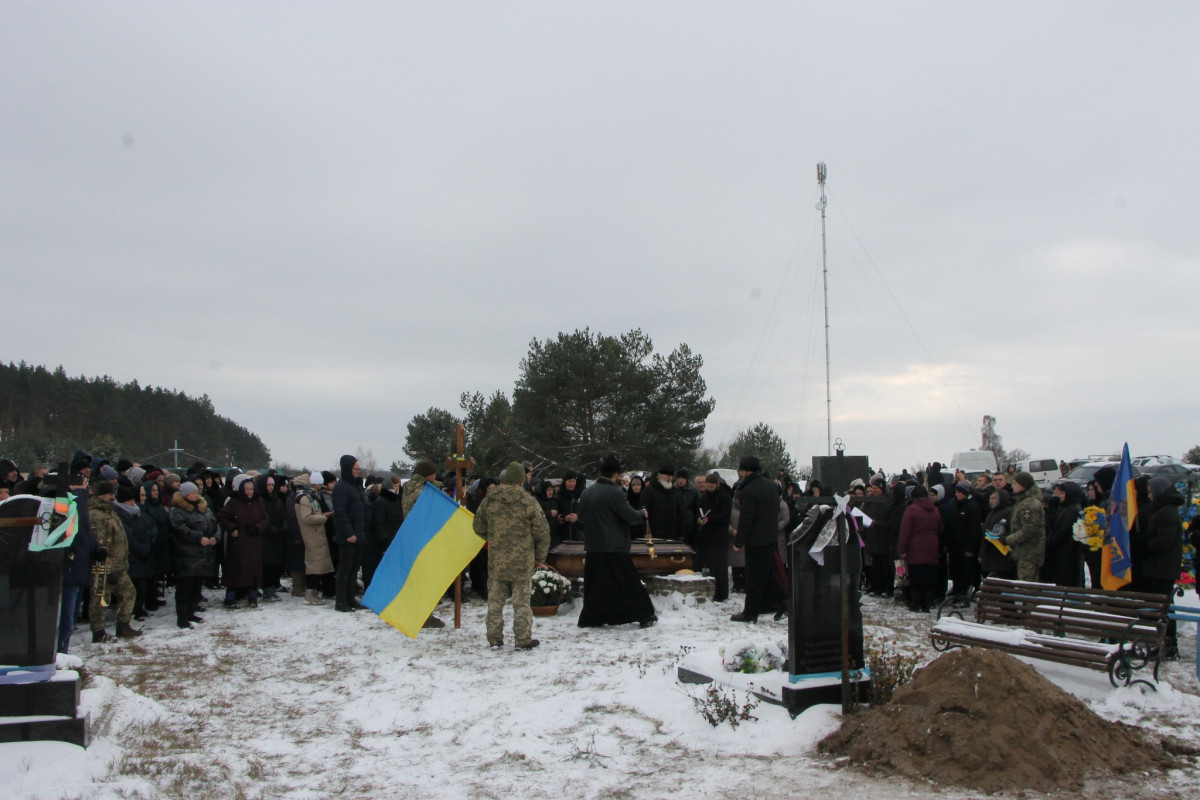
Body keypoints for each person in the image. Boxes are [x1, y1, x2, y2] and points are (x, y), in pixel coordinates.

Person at [472, 462, 550, 649]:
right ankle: (523, 640)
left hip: (497, 560)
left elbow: (478, 527)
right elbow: (542, 532)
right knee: (521, 603)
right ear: (521, 481)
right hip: (523, 561)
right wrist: (539, 557)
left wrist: (494, 539)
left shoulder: (489, 500)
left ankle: (494, 639)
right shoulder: (528, 501)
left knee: (495, 603)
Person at [578, 454, 657, 628]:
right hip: (614, 548)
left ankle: (591, 618)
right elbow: (630, 517)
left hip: (593, 547)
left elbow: (581, 519)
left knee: (596, 586)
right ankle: (645, 614)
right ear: (615, 474)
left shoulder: (587, 492)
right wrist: (642, 514)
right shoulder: (615, 493)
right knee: (628, 584)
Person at [730, 455, 786, 623]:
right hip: (770, 537)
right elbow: (775, 510)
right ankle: (785, 601)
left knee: (753, 578)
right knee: (767, 574)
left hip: (756, 540)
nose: (740, 474)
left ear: (747, 471)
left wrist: (739, 541)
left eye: (741, 470)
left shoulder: (748, 490)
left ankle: (750, 613)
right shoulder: (771, 486)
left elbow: (746, 519)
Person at [88, 481, 141, 642]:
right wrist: (107, 566)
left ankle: (123, 625)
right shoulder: (96, 515)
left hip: (119, 565)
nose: (113, 497)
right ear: (100, 495)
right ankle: (98, 632)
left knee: (129, 593)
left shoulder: (111, 511)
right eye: (109, 494)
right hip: (104, 568)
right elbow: (101, 543)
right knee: (101, 600)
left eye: (113, 494)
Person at [1139, 476, 1184, 658]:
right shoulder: (1162, 510)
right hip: (1157, 566)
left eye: (1151, 492)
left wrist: (1146, 543)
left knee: (1164, 607)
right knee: (1161, 607)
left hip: (1162, 567)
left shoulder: (1167, 512)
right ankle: (1164, 643)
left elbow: (1165, 540)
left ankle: (1169, 645)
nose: (1149, 496)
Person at [398, 459, 446, 628]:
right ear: (429, 475)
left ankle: (414, 612)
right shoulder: (425, 491)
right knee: (425, 578)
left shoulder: (409, 488)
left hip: (412, 537)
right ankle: (424, 616)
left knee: (416, 577)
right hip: (424, 538)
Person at [169, 481, 219, 629]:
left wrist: (215, 537)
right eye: (192, 493)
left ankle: (191, 612)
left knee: (197, 587)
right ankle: (182, 617)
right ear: (184, 495)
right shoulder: (177, 511)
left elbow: (215, 524)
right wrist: (198, 538)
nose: (195, 495)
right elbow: (179, 530)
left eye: (196, 492)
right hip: (186, 556)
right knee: (185, 588)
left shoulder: (204, 509)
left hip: (203, 556)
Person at [219, 474, 269, 609]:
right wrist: (232, 528)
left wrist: (258, 527)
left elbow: (265, 519)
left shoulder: (258, 502)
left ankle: (252, 595)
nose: (249, 492)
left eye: (251, 489)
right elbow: (222, 517)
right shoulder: (234, 502)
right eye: (246, 489)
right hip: (238, 543)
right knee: (236, 570)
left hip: (254, 541)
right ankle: (231, 596)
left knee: (253, 570)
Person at [897, 485, 944, 612]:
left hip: (915, 547)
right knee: (929, 575)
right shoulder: (935, 509)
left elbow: (905, 531)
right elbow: (940, 528)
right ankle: (927, 605)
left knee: (916, 576)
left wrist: (902, 549)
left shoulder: (911, 509)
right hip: (932, 546)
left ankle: (915, 604)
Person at [292, 472, 334, 605]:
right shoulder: (305, 498)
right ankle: (310, 591)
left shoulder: (309, 496)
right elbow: (307, 517)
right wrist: (324, 518)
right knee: (314, 564)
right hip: (312, 534)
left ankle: (315, 590)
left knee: (317, 562)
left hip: (316, 533)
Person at [332, 455, 366, 612]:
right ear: (348, 469)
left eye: (359, 469)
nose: (359, 472)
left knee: (354, 569)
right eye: (356, 469)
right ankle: (341, 601)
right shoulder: (341, 487)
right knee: (345, 569)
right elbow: (340, 514)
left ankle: (350, 598)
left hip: (358, 534)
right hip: (348, 537)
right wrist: (349, 533)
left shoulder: (356, 485)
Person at [1002, 472, 1045, 582]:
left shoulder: (1029, 504)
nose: (1012, 486)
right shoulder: (1023, 502)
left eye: (1015, 483)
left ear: (1024, 485)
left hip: (1029, 554)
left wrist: (1008, 539)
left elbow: (1028, 530)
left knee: (1027, 587)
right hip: (1022, 552)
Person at [697, 471, 733, 601]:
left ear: (717, 484)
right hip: (707, 536)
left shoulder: (725, 497)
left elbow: (725, 516)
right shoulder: (704, 497)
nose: (709, 490)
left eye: (711, 487)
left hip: (720, 536)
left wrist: (710, 519)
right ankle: (710, 591)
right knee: (709, 565)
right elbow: (699, 510)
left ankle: (721, 593)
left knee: (720, 567)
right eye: (707, 487)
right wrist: (700, 519)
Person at [1043, 481, 1083, 587]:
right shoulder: (1063, 509)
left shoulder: (1072, 511)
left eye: (1062, 493)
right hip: (1060, 552)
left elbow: (1062, 532)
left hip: (1068, 552)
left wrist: (1049, 543)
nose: (1059, 495)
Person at [641, 464, 680, 540]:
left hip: (672, 535)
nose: (670, 478)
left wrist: (681, 533)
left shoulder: (674, 492)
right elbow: (644, 512)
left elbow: (679, 512)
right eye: (667, 475)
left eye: (671, 476)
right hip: (655, 535)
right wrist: (647, 531)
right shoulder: (649, 491)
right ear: (660, 475)